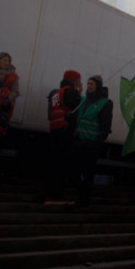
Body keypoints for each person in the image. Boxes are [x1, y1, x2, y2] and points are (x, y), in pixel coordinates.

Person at [68, 75, 113, 207]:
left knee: (87, 173)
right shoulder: (84, 100)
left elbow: (105, 125)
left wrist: (99, 142)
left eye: (92, 84)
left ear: (98, 86)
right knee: (72, 172)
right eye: (88, 84)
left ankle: (84, 199)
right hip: (79, 140)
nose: (89, 86)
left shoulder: (105, 103)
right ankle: (83, 195)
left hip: (91, 143)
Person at [45, 70, 83, 205]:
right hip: (64, 131)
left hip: (54, 130)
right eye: (79, 80)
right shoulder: (70, 92)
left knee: (54, 163)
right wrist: (79, 92)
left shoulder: (56, 93)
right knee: (61, 165)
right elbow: (77, 107)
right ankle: (56, 194)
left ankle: (50, 193)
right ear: (74, 80)